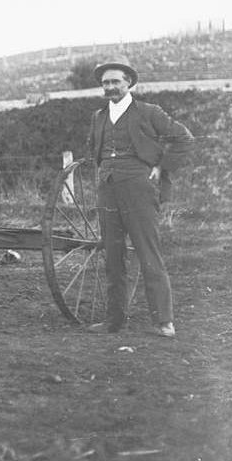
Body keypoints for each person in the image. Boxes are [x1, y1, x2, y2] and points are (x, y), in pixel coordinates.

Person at [86, 57, 193, 337]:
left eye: (115, 82)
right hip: (107, 189)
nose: (110, 87)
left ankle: (164, 320)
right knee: (112, 254)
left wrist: (161, 167)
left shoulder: (148, 112)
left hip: (138, 188)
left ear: (129, 83)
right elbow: (94, 153)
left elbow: (184, 138)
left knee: (148, 253)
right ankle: (114, 320)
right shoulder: (98, 118)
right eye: (105, 82)